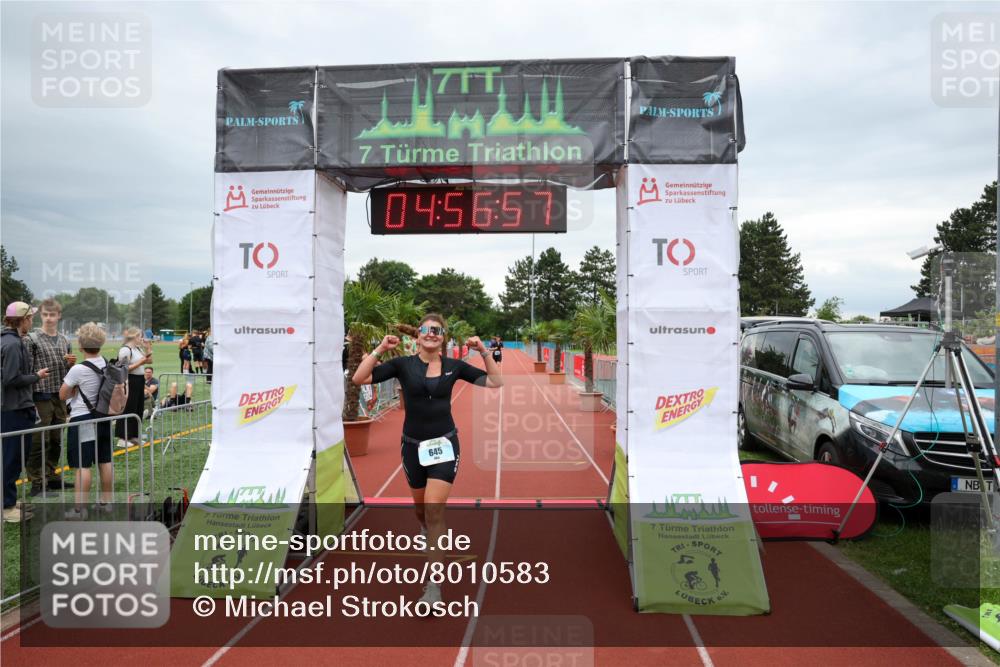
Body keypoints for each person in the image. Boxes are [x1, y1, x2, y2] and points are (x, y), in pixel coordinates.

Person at [352, 313, 502, 608]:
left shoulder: (454, 367)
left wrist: (483, 351)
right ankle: (425, 527)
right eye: (426, 329)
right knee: (421, 509)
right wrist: (380, 349)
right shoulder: (402, 365)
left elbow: (496, 382)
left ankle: (433, 586)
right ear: (417, 336)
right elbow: (360, 378)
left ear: (443, 337)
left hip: (445, 444)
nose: (432, 333)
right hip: (412, 447)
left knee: (434, 509)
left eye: (437, 330)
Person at [60, 322, 115, 519]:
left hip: (83, 417)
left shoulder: (78, 369)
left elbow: (62, 394)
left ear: (81, 346)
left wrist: (74, 389)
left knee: (82, 465)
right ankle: (107, 502)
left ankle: (79, 509)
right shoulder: (107, 363)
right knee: (105, 460)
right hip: (103, 416)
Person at [1, 302, 49, 522]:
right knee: (11, 459)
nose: (32, 321)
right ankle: (6, 507)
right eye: (30, 317)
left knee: (12, 458)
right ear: (22, 320)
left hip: (14, 407)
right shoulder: (11, 344)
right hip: (14, 409)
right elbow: (11, 379)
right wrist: (36, 376)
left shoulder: (10, 340)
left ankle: (8, 501)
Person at [25, 298, 75, 496]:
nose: (48, 318)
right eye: (45, 314)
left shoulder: (65, 339)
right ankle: (37, 482)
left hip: (59, 394)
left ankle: (51, 476)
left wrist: (71, 363)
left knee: (56, 439)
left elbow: (68, 369)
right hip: (40, 394)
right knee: (39, 440)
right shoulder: (32, 339)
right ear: (40, 315)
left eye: (52, 314)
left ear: (59, 316)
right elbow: (26, 369)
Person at [116, 327, 152, 448]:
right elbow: (122, 369)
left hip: (139, 380)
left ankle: (134, 436)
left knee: (138, 408)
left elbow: (149, 361)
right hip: (129, 380)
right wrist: (140, 363)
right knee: (128, 408)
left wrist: (148, 348)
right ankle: (122, 437)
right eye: (140, 336)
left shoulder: (138, 349)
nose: (142, 338)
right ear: (134, 336)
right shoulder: (125, 350)